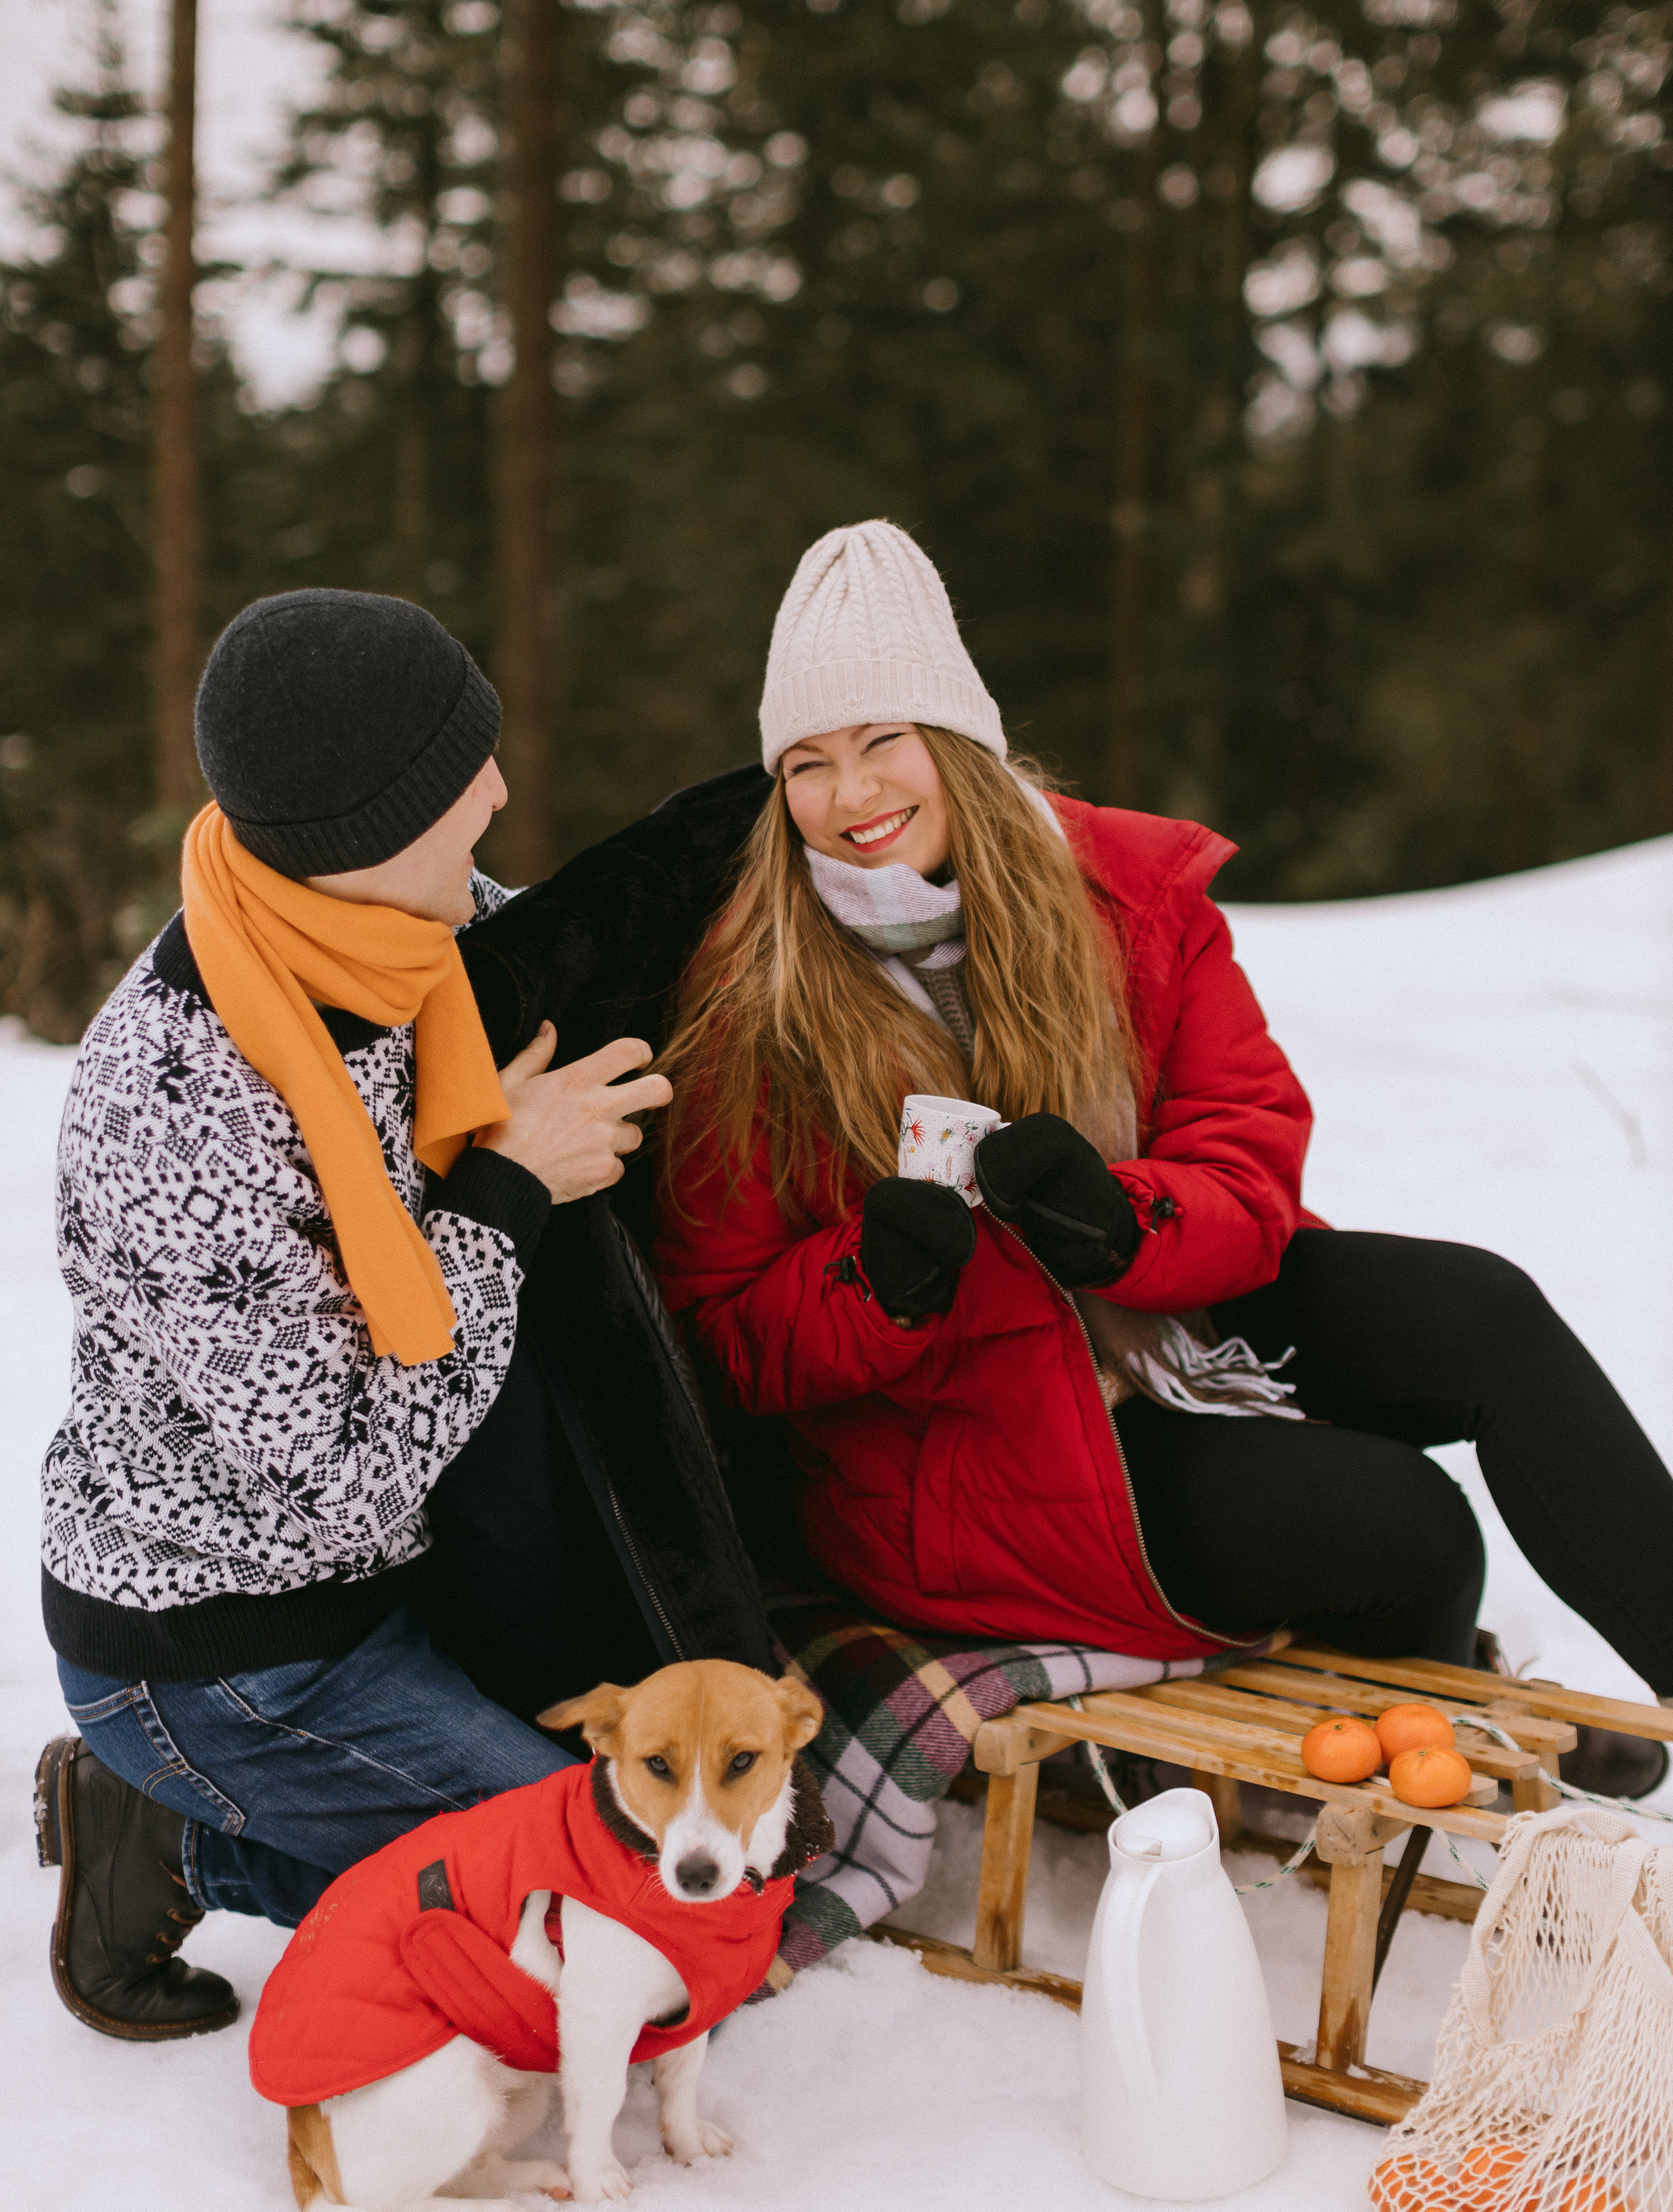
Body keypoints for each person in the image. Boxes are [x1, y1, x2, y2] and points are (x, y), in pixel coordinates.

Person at [655, 520, 1673, 1797]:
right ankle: (1415, 1716)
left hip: (1162, 1317)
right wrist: (877, 1279)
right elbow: (724, 1336)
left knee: (1482, 1309)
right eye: (805, 764)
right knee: (1400, 1525)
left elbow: (1247, 1171)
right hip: (957, 1449)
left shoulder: (1126, 901)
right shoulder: (752, 1004)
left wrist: (1118, 1224)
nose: (849, 796)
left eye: (880, 743)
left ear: (952, 740)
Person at [35, 589, 671, 2041]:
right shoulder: (180, 1108)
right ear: (362, 834)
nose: (500, 791)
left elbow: (586, 960)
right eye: (463, 778)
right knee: (616, 1939)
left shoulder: (400, 927)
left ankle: (370, 1855)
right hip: (229, 1645)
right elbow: (338, 1479)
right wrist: (508, 1188)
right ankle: (160, 1832)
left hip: (399, 1586)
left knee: (620, 1909)